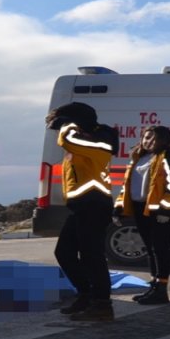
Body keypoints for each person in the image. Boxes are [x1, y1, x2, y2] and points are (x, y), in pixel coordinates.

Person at [46, 101, 118, 322]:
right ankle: (86, 295)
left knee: (92, 256)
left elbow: (67, 139)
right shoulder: (81, 142)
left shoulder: (101, 141)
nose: (60, 129)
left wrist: (67, 126)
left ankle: (103, 305)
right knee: (64, 253)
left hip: (95, 205)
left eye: (64, 123)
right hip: (80, 206)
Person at [115, 126, 170, 304]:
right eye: (146, 137)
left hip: (161, 212)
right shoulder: (139, 158)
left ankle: (161, 290)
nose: (148, 141)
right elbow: (127, 186)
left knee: (160, 249)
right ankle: (154, 286)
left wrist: (166, 210)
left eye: (154, 138)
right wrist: (118, 208)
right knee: (150, 249)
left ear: (164, 141)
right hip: (142, 209)